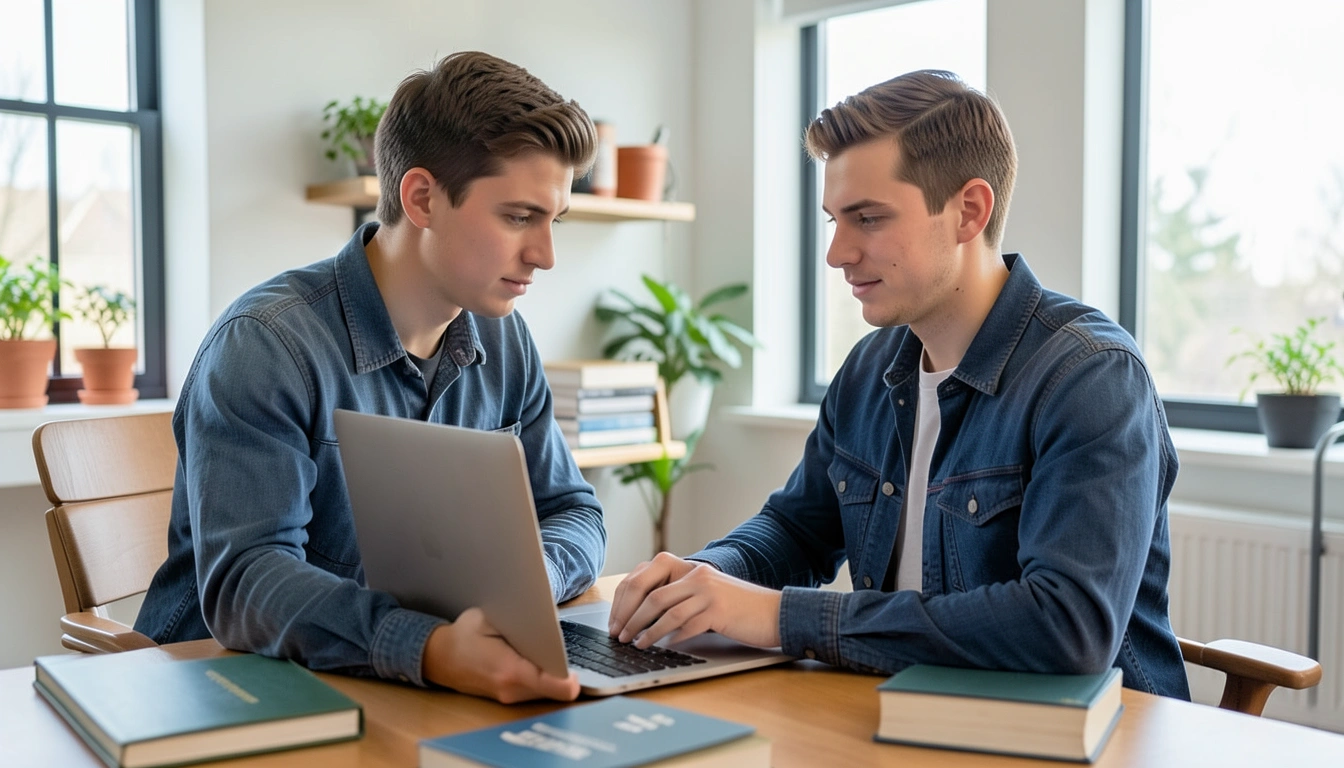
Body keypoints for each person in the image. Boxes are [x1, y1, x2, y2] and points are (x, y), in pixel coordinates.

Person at [608, 69, 1190, 698]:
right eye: (834, 220)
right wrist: (701, 579)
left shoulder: (1090, 376)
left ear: (969, 210)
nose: (837, 253)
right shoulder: (868, 369)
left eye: (868, 218)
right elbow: (798, 530)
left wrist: (779, 617)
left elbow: (1065, 630)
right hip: (910, 718)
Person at [135, 52, 606, 704]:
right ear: (422, 199)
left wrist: (530, 584)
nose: (545, 256)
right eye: (519, 217)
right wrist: (431, 648)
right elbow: (247, 579)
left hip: (409, 692)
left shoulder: (504, 338)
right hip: (229, 694)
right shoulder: (267, 345)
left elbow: (571, 510)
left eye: (555, 221)